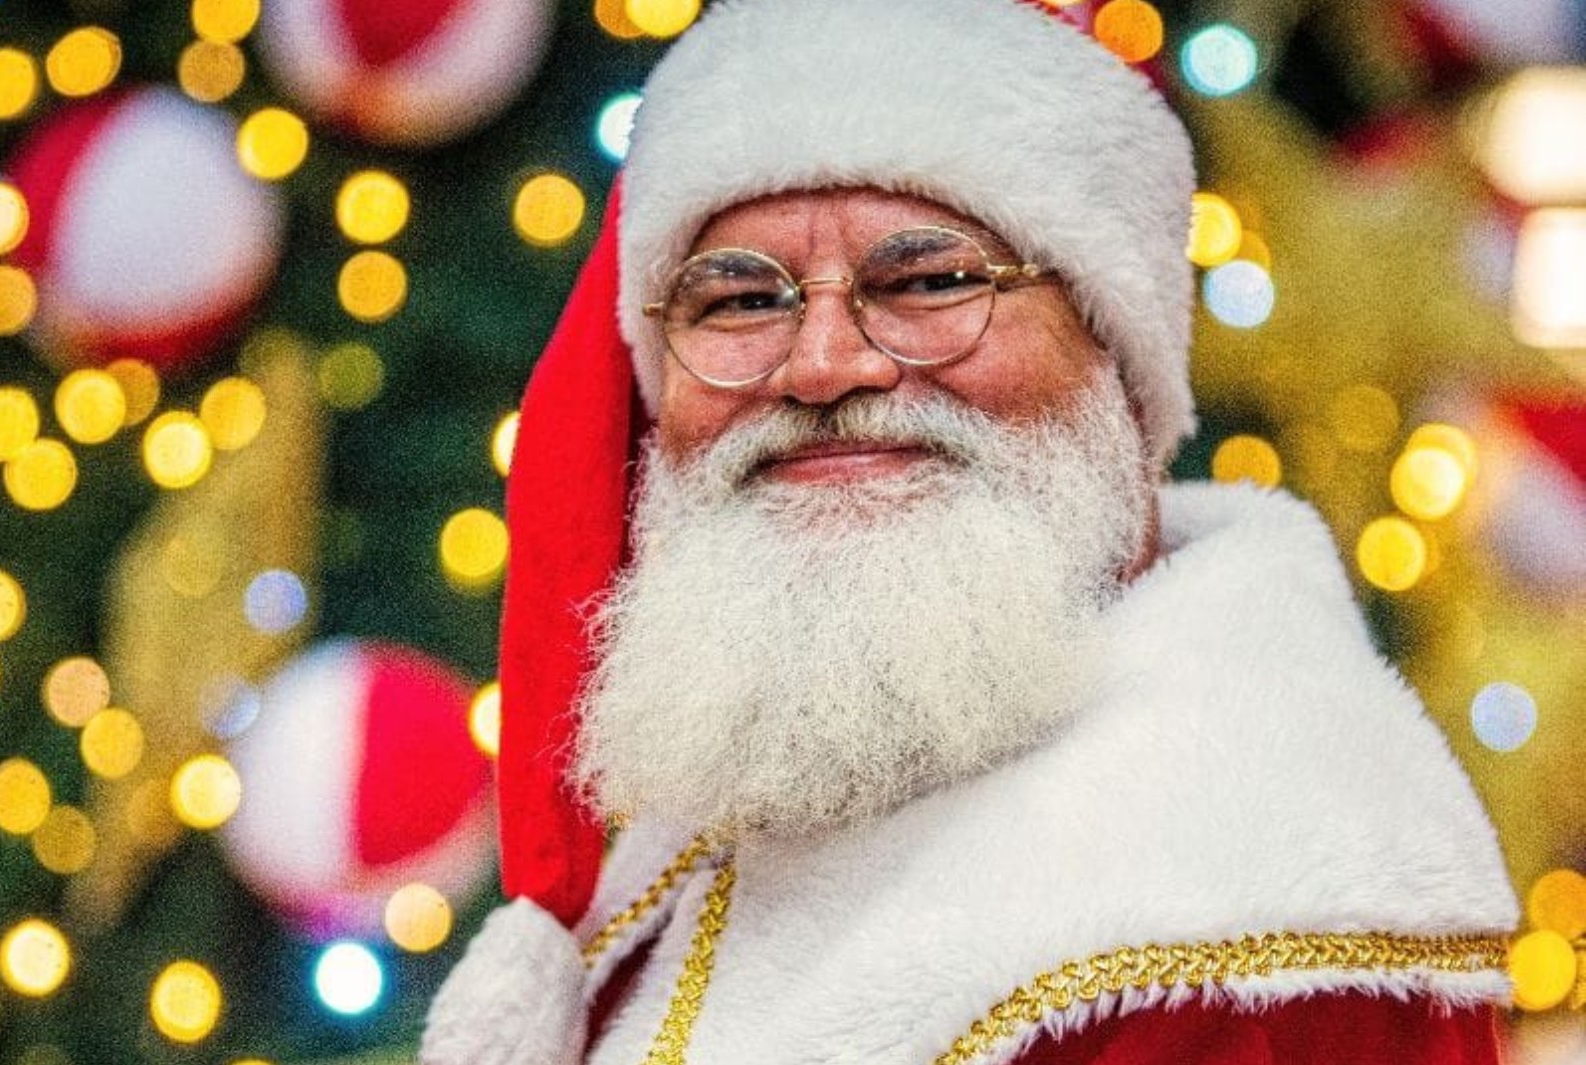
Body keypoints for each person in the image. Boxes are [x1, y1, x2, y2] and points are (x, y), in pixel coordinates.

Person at [420, 0, 1517, 1062]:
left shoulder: (1249, 945)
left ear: (1115, 359)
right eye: (741, 302)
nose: (821, 367)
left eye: (931, 281)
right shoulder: (760, 769)